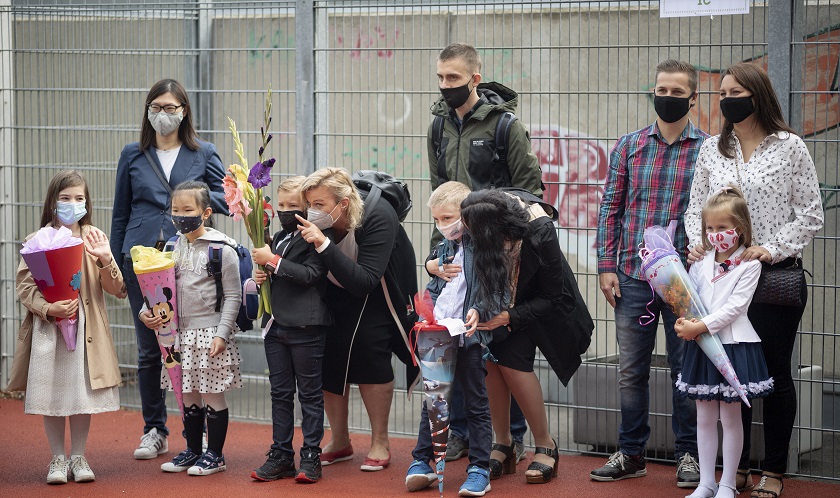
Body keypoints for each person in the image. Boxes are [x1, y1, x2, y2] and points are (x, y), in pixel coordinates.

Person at [684, 63, 824, 498]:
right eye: (723, 92)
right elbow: (695, 209)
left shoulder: (790, 147)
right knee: (731, 377)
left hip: (773, 279)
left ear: (758, 94)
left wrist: (770, 248)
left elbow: (810, 213)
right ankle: (734, 472)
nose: (727, 99)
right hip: (721, 282)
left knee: (776, 375)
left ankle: (775, 470)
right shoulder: (712, 149)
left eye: (736, 91)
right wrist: (699, 244)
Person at [592, 60, 706, 487]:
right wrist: (606, 266)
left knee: (685, 368)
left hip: (685, 281)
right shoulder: (629, 146)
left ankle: (689, 456)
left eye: (678, 92)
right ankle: (631, 452)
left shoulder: (709, 150)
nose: (669, 97)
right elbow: (610, 210)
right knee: (630, 369)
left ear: (693, 98)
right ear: (652, 92)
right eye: (662, 89)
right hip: (633, 277)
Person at [429, 42, 542, 463]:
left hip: (497, 260)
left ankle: (507, 439)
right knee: (456, 343)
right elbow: (437, 194)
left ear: (475, 78)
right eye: (440, 77)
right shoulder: (438, 127)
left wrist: (495, 236)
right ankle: (460, 433)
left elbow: (531, 192)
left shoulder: (504, 125)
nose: (446, 86)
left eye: (454, 78)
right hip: (455, 259)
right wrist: (434, 256)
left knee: (496, 349)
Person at [111, 78, 229, 460]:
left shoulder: (203, 151)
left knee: (191, 344)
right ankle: (154, 429)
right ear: (148, 111)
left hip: (188, 260)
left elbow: (223, 197)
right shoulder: (133, 154)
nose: (164, 114)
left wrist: (241, 195)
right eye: (157, 107)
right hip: (142, 263)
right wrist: (113, 266)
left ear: (184, 112)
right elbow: (120, 213)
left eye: (171, 107)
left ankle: (199, 436)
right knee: (151, 349)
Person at [462, 189, 593, 486]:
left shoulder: (539, 230)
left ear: (493, 228)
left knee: (514, 366)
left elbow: (554, 295)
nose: (465, 232)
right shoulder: (477, 217)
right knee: (491, 364)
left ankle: (546, 444)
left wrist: (511, 316)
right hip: (496, 300)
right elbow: (456, 256)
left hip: (536, 304)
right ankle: (504, 444)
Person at [8, 170, 126, 484]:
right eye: (64, 198)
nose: (71, 204)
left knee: (81, 394)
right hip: (50, 330)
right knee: (52, 392)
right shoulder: (38, 240)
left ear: (87, 202)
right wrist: (49, 308)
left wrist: (104, 260)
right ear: (52, 202)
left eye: (78, 198)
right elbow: (25, 287)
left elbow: (116, 288)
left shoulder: (94, 237)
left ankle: (79, 456)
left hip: (87, 330)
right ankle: (57, 458)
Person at [296, 167, 417, 472]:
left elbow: (365, 281)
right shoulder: (314, 215)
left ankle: (380, 441)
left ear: (344, 203)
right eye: (309, 204)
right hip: (332, 282)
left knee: (370, 348)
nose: (312, 211)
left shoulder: (378, 215)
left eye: (320, 205)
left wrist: (322, 244)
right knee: (328, 352)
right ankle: (340, 441)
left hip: (378, 285)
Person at [676, 187, 774, 498]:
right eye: (710, 228)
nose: (715, 234)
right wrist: (684, 317)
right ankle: (706, 483)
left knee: (731, 418)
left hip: (733, 344)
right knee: (704, 417)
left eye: (722, 228)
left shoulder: (750, 264)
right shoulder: (700, 260)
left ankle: (728, 484)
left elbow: (736, 308)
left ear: (739, 229)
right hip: (702, 344)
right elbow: (689, 296)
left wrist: (699, 326)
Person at [140, 181, 243, 476]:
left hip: (209, 334)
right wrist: (145, 312)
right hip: (177, 336)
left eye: (188, 210)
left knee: (212, 395)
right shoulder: (171, 246)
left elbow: (233, 295)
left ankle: (215, 455)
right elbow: (156, 289)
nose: (181, 216)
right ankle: (193, 450)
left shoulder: (223, 250)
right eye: (175, 210)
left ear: (206, 212)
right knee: (187, 396)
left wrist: (222, 334)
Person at [405, 181, 493, 496]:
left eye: (447, 218)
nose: (442, 226)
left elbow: (491, 286)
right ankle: (421, 462)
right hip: (437, 331)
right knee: (435, 400)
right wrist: (431, 267)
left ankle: (480, 468)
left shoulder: (485, 245)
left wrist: (479, 310)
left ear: (467, 214)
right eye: (437, 220)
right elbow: (435, 274)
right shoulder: (445, 247)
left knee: (476, 402)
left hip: (468, 336)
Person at [249, 176, 333, 484]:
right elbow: (269, 271)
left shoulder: (314, 236)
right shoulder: (278, 237)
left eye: (293, 206)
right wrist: (259, 274)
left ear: (308, 208)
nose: (286, 211)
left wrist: (272, 261)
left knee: (309, 395)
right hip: (276, 327)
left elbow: (312, 274)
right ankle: (281, 454)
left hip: (306, 327)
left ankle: (311, 455)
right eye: (281, 205)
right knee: (280, 393)